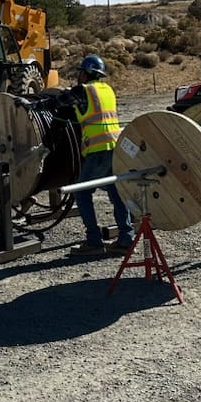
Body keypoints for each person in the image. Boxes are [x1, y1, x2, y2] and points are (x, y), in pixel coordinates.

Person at [57, 54, 135, 257]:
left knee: (82, 192)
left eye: (80, 73)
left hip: (97, 149)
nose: (78, 76)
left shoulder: (83, 91)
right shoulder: (107, 89)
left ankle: (93, 241)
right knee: (115, 191)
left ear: (86, 73)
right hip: (115, 146)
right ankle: (126, 238)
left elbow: (59, 101)